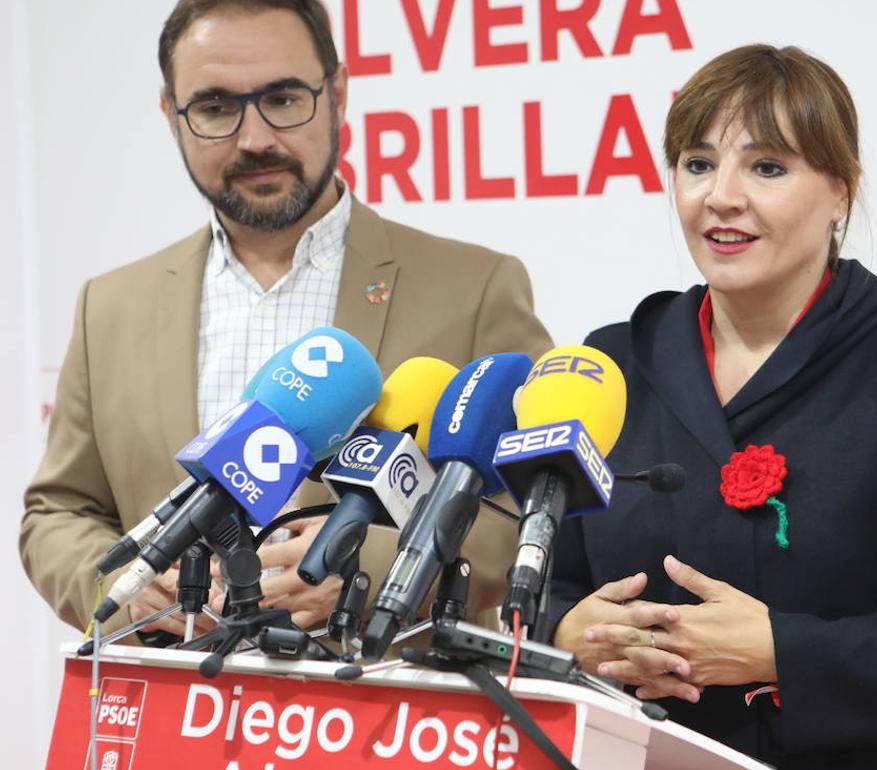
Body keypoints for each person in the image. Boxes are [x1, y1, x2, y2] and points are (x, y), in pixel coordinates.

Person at [549, 44, 877, 768]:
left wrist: (786, 653)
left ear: (841, 191)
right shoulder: (610, 364)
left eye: (767, 167)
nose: (720, 196)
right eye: (698, 164)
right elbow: (540, 589)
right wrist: (568, 636)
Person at [20, 0, 551, 644]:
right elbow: (58, 512)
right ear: (172, 116)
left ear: (338, 94)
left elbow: (526, 509)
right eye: (216, 107)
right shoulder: (109, 305)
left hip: (384, 718)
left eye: (284, 98)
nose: (255, 139)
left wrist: (366, 569)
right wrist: (125, 587)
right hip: (170, 711)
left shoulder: (474, 289)